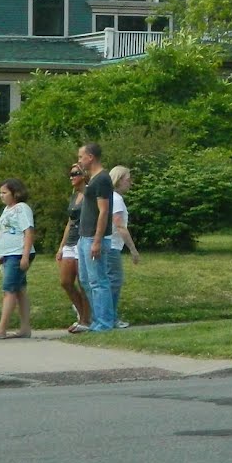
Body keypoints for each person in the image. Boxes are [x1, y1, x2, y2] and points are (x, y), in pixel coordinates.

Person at [70, 142, 116, 333]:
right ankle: (97, 320)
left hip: (94, 238)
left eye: (81, 157)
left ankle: (105, 323)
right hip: (83, 236)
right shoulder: (93, 179)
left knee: (98, 280)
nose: (79, 160)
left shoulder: (103, 179)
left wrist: (97, 240)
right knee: (87, 281)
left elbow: (104, 211)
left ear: (91, 157)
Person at [0, 179, 34, 339]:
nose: (1, 196)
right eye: (0, 193)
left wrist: (25, 255)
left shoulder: (21, 208)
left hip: (18, 253)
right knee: (19, 290)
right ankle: (25, 328)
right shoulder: (7, 209)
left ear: (15, 193)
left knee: (9, 290)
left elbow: (28, 231)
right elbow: (6, 232)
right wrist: (2, 254)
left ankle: (1, 329)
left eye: (5, 192)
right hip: (9, 254)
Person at [56, 166, 91, 332]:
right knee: (65, 281)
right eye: (70, 174)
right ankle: (82, 312)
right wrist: (62, 246)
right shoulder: (74, 195)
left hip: (83, 240)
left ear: (84, 175)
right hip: (70, 242)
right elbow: (70, 222)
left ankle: (86, 320)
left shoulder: (90, 193)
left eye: (75, 174)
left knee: (83, 282)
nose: (71, 177)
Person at [108, 165, 141, 329]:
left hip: (105, 245)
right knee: (115, 281)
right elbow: (120, 226)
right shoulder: (116, 199)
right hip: (112, 246)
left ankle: (100, 315)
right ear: (119, 180)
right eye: (128, 180)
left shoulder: (107, 197)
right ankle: (111, 317)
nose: (130, 183)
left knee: (104, 281)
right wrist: (133, 250)